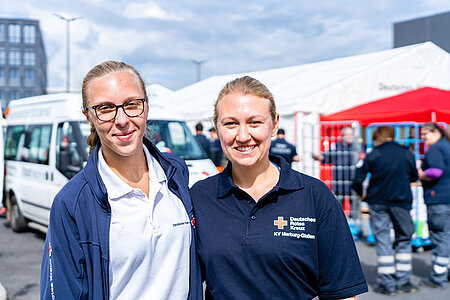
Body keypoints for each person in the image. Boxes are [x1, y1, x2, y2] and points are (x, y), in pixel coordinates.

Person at [190, 76, 368, 299]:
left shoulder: (314, 196)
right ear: (216, 127)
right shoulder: (199, 197)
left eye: (255, 122)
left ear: (274, 125)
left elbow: (341, 292)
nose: (243, 136)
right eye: (230, 123)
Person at [40, 61, 201, 299]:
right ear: (88, 116)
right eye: (105, 108)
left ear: (146, 107)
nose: (122, 119)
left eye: (131, 104)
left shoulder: (174, 173)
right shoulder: (72, 202)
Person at [352, 126, 419, 295]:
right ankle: (404, 281)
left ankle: (387, 283)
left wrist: (361, 194)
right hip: (401, 201)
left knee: (383, 238)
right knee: (404, 237)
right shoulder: (406, 152)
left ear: (378, 138)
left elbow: (358, 177)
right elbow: (414, 176)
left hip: (378, 201)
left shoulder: (374, 153)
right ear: (392, 136)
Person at [417, 122, 450, 288]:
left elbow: (436, 171)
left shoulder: (436, 148)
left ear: (436, 132)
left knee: (440, 236)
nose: (422, 138)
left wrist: (421, 174)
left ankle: (438, 276)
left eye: (425, 134)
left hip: (438, 199)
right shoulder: (447, 145)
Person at [312, 126, 357, 203]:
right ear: (343, 136)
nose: (350, 136)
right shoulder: (336, 146)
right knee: (338, 204)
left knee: (354, 206)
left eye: (351, 134)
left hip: (352, 181)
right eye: (348, 134)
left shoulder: (356, 147)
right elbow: (327, 157)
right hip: (339, 181)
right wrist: (319, 157)